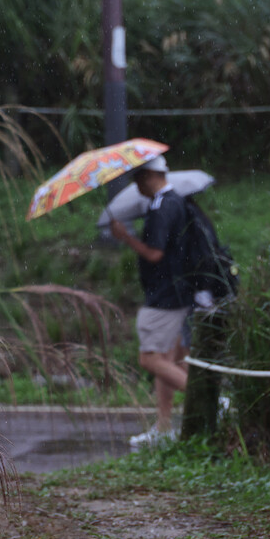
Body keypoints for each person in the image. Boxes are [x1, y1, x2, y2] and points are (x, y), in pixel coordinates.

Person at [109, 155, 194, 447]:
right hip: (179, 290)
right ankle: (164, 425)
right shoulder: (176, 201)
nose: (136, 186)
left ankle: (209, 402)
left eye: (137, 179)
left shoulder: (161, 207)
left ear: (148, 176)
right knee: (171, 359)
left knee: (151, 359)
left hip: (165, 296)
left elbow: (155, 254)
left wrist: (125, 236)